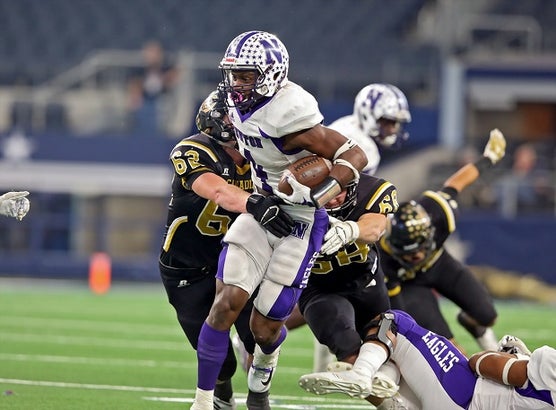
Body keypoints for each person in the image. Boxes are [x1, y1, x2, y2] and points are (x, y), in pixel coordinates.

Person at [192, 30, 367, 410]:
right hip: (260, 208)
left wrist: (323, 190)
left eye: (246, 75)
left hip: (300, 220)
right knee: (225, 303)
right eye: (233, 74)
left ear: (270, 74)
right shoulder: (235, 104)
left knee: (265, 326)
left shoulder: (292, 113)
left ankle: (261, 378)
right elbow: (238, 141)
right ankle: (204, 402)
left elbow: (354, 154)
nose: (236, 84)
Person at [159, 89, 260, 409]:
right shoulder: (194, 150)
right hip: (186, 264)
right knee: (220, 364)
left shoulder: (263, 156)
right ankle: (222, 394)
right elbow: (217, 191)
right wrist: (258, 203)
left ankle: (259, 396)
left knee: (259, 335)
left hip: (238, 257)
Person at [378, 129, 507, 354]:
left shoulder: (438, 212)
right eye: (409, 254)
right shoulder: (382, 254)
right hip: (409, 285)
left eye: (419, 250)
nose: (416, 257)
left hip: (440, 265)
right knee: (450, 349)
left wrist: (488, 159)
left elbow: (456, 183)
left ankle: (473, 325)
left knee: (487, 315)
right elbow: (396, 314)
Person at [299, 309, 556, 409]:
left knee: (395, 323)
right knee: (395, 369)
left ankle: (362, 373)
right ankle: (383, 388)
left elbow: (479, 363)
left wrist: (516, 357)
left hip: (463, 397)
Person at [297, 172, 400, 409]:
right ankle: (390, 405)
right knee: (348, 346)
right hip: (319, 289)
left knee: (386, 339)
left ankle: (364, 375)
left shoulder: (370, 191)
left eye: (337, 191)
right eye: (323, 192)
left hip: (366, 281)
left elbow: (375, 227)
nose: (331, 199)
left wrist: (351, 230)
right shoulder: (293, 203)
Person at [328, 83, 412, 175]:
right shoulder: (365, 147)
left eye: (396, 123)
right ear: (367, 115)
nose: (393, 130)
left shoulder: (346, 123)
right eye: (387, 121)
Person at [127, 40, 180, 136]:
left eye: (155, 53)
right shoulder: (139, 70)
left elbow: (174, 78)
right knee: (142, 110)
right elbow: (135, 86)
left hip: (163, 101)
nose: (152, 56)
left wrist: (164, 79)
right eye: (149, 53)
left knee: (163, 109)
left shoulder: (166, 67)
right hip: (146, 101)